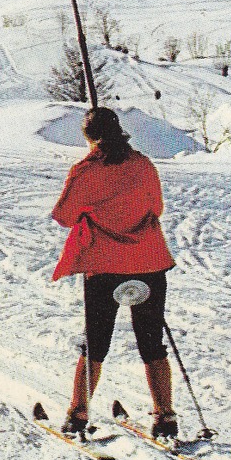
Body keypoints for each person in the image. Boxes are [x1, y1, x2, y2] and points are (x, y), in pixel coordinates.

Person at [50, 107, 177, 441]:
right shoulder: (143, 164)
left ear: (90, 138)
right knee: (153, 344)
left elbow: (64, 216)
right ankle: (165, 417)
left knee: (95, 343)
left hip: (104, 266)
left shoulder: (85, 171)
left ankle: (78, 415)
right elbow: (157, 208)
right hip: (148, 262)